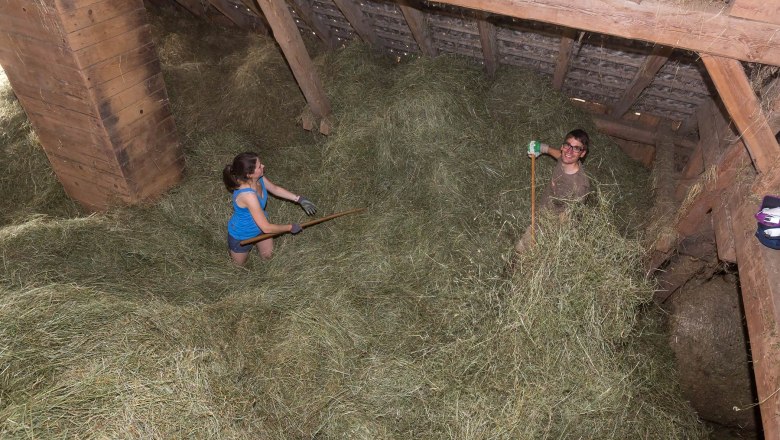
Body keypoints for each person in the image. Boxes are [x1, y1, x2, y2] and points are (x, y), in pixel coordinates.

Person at [223, 152, 317, 265]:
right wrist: (290, 227)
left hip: (260, 229)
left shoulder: (257, 179)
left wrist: (299, 199)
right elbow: (267, 228)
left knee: (268, 259)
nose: (263, 166)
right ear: (249, 174)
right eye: (259, 166)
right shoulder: (248, 195)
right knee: (238, 268)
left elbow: (275, 189)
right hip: (242, 236)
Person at [515, 129, 591, 253]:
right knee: (521, 252)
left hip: (552, 225)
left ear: (582, 154)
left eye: (576, 148)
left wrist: (549, 237)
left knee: (525, 252)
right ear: (563, 146)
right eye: (568, 145)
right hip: (543, 213)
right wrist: (542, 147)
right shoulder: (564, 158)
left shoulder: (580, 186)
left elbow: (570, 217)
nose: (570, 151)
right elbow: (558, 154)